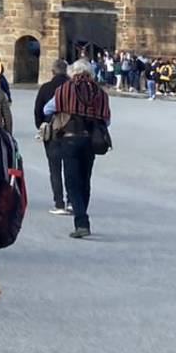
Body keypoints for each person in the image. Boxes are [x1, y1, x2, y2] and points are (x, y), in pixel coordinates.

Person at [43, 58, 110, 240]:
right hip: (91, 140)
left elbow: (46, 109)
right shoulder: (99, 92)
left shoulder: (65, 89)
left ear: (73, 73)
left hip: (70, 138)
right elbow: (107, 120)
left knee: (71, 182)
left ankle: (81, 221)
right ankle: (82, 214)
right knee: (84, 180)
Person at [31, 64, 67, 217]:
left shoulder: (46, 88)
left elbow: (38, 109)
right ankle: (72, 200)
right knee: (71, 168)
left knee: (55, 169)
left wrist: (41, 125)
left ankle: (59, 202)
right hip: (70, 130)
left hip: (51, 131)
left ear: (52, 72)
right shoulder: (71, 86)